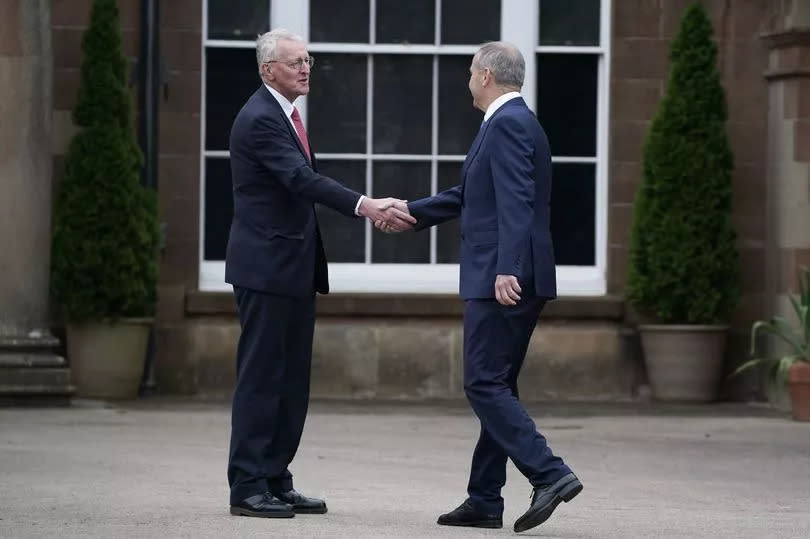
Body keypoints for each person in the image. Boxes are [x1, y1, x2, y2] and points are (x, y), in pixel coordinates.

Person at [376, 41, 581, 533]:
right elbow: (472, 195)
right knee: (498, 383)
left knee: (483, 382)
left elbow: (515, 199)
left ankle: (549, 473)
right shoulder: (510, 121)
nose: (468, 78)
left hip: (504, 275)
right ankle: (485, 498)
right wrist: (411, 214)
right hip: (512, 270)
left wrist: (507, 268)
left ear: (486, 75)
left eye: (471, 71)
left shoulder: (508, 123)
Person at [225, 28, 415, 519]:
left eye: (308, 60)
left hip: (292, 269)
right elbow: (300, 179)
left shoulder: (285, 114)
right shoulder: (260, 118)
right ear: (269, 70)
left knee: (292, 380)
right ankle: (247, 485)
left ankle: (275, 478)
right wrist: (366, 205)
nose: (306, 68)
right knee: (263, 379)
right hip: (265, 270)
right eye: (295, 63)